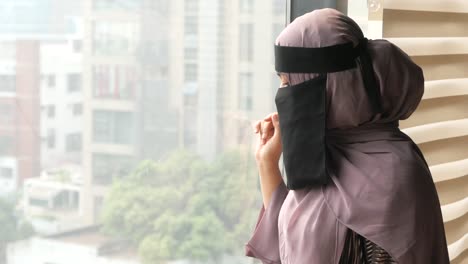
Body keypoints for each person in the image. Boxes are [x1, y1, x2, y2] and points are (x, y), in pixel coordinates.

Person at [246, 8, 450, 264]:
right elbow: (287, 248)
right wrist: (266, 162)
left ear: (332, 84)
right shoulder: (322, 155)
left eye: (288, 82)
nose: (281, 95)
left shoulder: (393, 175)